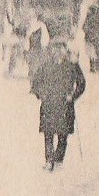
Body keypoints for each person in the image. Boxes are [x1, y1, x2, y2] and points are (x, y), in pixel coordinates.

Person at [30, 40, 87, 170]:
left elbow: (82, 83)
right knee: (48, 133)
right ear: (51, 50)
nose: (58, 52)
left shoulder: (72, 66)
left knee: (63, 133)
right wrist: (41, 94)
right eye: (55, 48)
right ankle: (49, 160)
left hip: (65, 104)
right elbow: (35, 83)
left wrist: (73, 96)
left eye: (61, 48)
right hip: (49, 104)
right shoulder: (46, 66)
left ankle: (59, 159)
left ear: (65, 50)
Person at [82, 1, 99, 74]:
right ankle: (98, 68)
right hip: (97, 37)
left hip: (93, 37)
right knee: (98, 52)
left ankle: (95, 67)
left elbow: (85, 26)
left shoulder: (92, 15)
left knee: (95, 52)